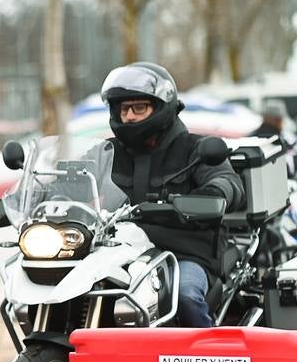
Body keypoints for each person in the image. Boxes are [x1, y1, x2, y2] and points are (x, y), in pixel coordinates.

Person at [83, 61, 245, 328]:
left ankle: (209, 360)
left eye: (139, 108)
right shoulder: (107, 154)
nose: (130, 116)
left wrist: (214, 194)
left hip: (184, 255)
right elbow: (73, 180)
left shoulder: (196, 149)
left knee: (184, 296)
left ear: (161, 108)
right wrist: (46, 195)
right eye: (124, 109)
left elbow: (227, 180)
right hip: (118, 253)